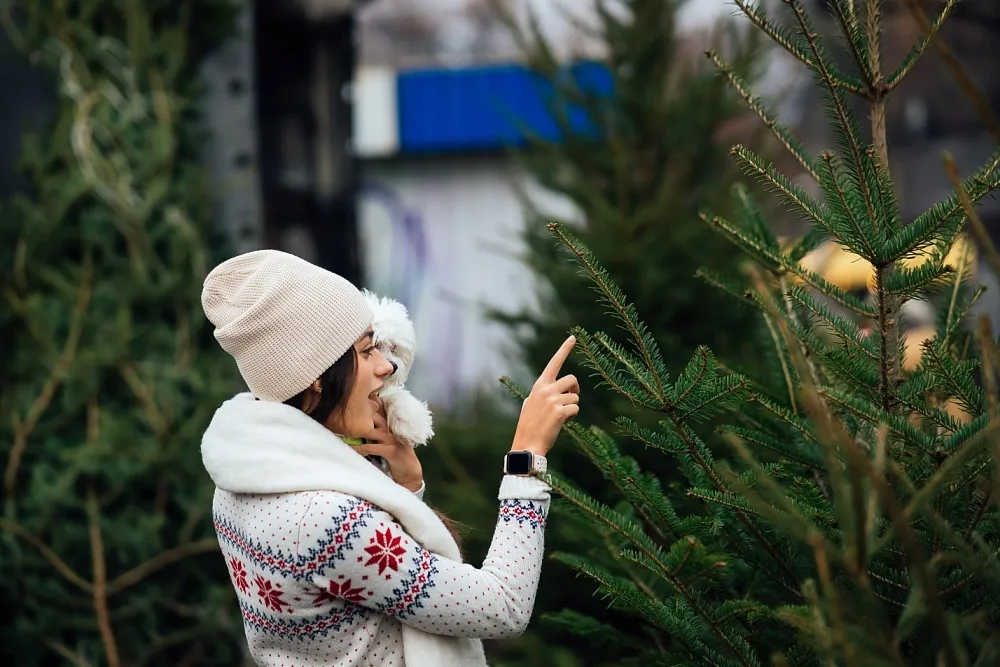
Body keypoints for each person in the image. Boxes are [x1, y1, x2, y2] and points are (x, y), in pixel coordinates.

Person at [199, 249, 580, 667]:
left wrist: (405, 487)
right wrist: (527, 457)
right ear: (316, 375)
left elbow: (377, 593)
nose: (386, 366)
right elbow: (502, 606)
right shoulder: (328, 522)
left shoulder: (244, 475)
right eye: (365, 352)